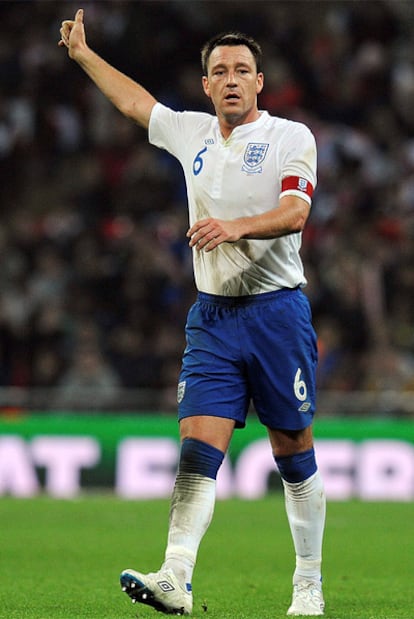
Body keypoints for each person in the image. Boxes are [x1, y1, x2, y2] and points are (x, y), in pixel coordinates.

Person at [59, 9, 326, 617]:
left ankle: (307, 583)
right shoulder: (191, 134)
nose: (231, 79)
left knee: (294, 454)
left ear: (260, 81)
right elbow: (135, 104)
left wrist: (233, 228)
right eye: (219, 71)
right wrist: (82, 55)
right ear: (206, 85)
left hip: (277, 313)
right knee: (197, 453)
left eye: (242, 70)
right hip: (212, 320)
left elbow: (295, 213)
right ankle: (175, 574)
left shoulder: (291, 138)